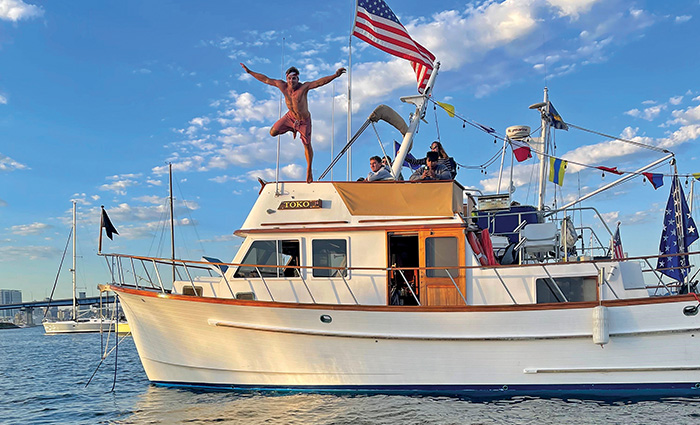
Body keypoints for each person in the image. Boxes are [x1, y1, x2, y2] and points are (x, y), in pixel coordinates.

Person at [240, 63, 347, 183]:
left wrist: (334, 75)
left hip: (303, 121)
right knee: (272, 132)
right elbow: (265, 79)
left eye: (294, 78)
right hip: (290, 117)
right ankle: (292, 129)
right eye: (290, 78)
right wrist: (250, 72)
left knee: (306, 145)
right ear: (287, 78)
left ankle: (309, 169)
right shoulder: (282, 86)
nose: (292, 81)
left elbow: (318, 82)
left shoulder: (304, 87)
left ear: (298, 79)